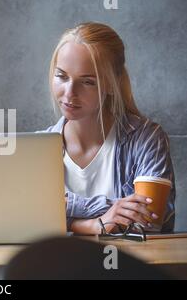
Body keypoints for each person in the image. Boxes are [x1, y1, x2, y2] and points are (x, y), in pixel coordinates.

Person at [45, 22, 175, 234]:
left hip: (127, 266)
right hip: (59, 266)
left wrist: (65, 210)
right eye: (61, 76)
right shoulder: (38, 148)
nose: (69, 92)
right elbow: (26, 221)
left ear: (111, 84)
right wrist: (94, 225)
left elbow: (146, 221)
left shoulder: (147, 138)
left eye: (87, 82)